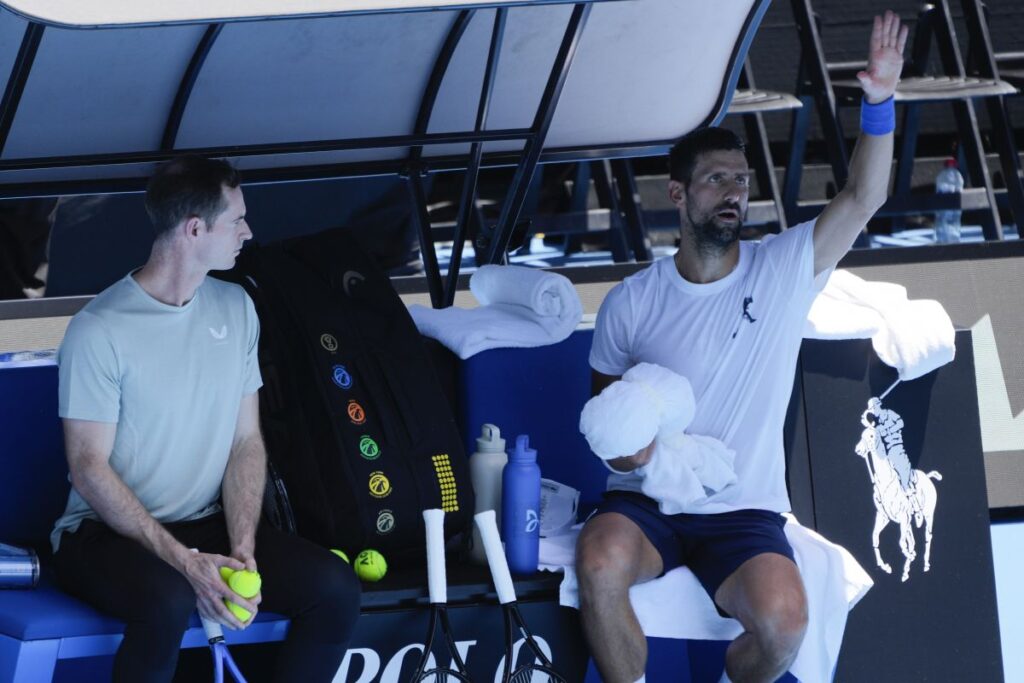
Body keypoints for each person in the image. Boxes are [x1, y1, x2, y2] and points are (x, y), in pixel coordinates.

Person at [576, 11, 908, 683]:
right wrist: (630, 450)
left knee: (785, 622)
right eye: (718, 179)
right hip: (647, 505)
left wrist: (880, 103)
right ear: (677, 193)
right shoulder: (631, 301)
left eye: (742, 179)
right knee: (600, 562)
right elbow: (606, 423)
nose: (736, 192)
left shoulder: (784, 267)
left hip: (745, 512)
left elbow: (865, 195)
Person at [50, 156, 361, 683]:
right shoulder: (98, 330)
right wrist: (185, 562)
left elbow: (245, 440)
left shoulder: (237, 307)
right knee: (168, 601)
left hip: (206, 522)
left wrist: (243, 546)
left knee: (335, 589)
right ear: (195, 229)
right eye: (236, 219)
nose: (248, 231)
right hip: (102, 534)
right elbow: (88, 469)